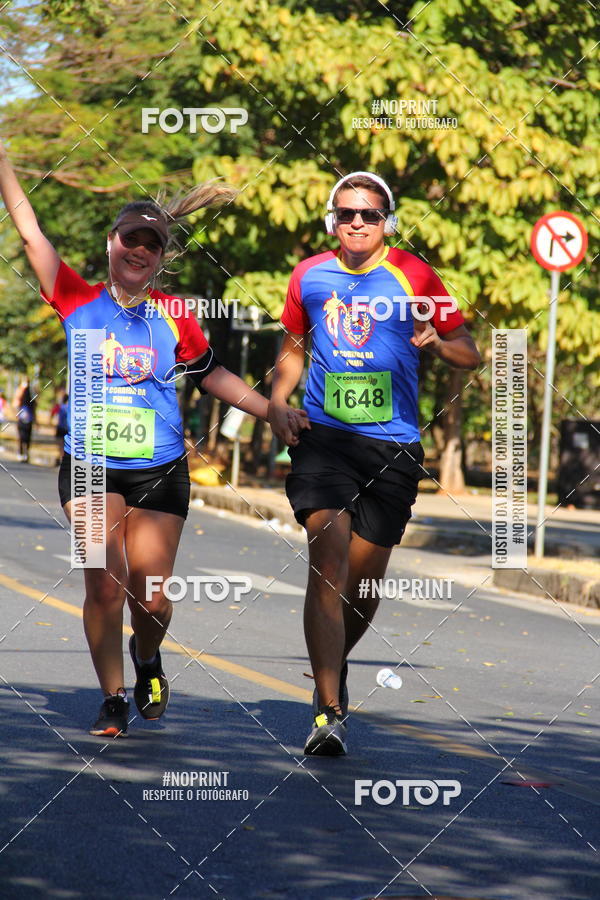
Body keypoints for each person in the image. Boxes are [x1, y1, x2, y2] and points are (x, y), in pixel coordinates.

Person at [0, 139, 307, 738]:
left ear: (162, 257)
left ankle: (147, 656)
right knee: (102, 582)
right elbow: (31, 233)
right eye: (129, 240)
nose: (138, 250)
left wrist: (271, 409)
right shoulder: (77, 299)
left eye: (151, 244)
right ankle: (113, 696)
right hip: (90, 464)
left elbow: (211, 373)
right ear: (110, 246)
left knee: (153, 598)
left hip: (160, 467)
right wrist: (5, 165)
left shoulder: (174, 314)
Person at [268, 171, 481, 756]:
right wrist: (278, 403)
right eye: (345, 213)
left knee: (362, 588)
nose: (355, 222)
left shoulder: (415, 275)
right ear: (331, 221)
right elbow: (292, 348)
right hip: (324, 439)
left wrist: (436, 343)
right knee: (327, 562)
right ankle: (327, 710)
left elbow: (471, 352)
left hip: (392, 448)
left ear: (387, 219)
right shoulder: (309, 275)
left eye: (367, 213)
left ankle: (333, 665)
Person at [13, 377, 36, 462]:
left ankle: (20, 453)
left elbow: (15, 406)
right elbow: (34, 412)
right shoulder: (32, 400)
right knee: (27, 438)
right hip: (29, 421)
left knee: (21, 438)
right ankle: (26, 454)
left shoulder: (20, 398)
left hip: (21, 421)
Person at [51, 390, 69, 465]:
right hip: (67, 429)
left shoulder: (59, 407)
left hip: (60, 428)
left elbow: (52, 413)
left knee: (59, 445)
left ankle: (60, 459)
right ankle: (62, 459)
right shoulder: (69, 408)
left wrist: (52, 422)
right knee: (65, 446)